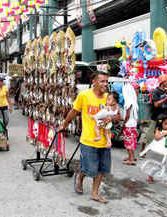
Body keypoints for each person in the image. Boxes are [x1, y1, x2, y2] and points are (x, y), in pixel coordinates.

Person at [58, 71, 120, 204]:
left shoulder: (109, 98)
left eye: (106, 81)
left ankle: (94, 194)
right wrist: (64, 124)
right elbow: (74, 111)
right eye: (102, 81)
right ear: (94, 82)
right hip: (88, 140)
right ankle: (79, 178)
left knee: (101, 170)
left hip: (104, 142)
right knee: (88, 168)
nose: (105, 84)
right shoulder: (84, 95)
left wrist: (112, 117)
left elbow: (119, 115)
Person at [140, 74, 167, 161]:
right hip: (156, 117)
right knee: (149, 135)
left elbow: (165, 103)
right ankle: (143, 150)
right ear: (162, 82)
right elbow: (156, 104)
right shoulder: (156, 92)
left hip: (164, 117)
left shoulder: (165, 91)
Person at [146, 114, 167, 191]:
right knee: (158, 166)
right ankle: (150, 176)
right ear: (160, 124)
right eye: (165, 124)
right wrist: (163, 134)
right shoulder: (158, 130)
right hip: (161, 153)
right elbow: (156, 138)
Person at [121, 83, 139, 165]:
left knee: (128, 142)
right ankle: (132, 156)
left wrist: (123, 124)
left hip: (128, 124)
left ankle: (131, 158)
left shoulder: (128, 103)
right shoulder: (133, 101)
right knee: (132, 141)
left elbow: (127, 115)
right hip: (133, 124)